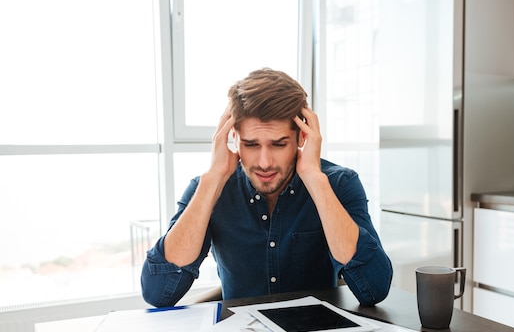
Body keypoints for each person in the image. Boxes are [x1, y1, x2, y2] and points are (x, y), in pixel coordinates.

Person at [141, 68, 393, 307]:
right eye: (251, 144)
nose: (264, 162)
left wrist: (314, 179)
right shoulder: (208, 188)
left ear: (302, 137)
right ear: (233, 137)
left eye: (279, 144)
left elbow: (373, 289)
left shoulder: (339, 184)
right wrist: (213, 180)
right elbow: (157, 292)